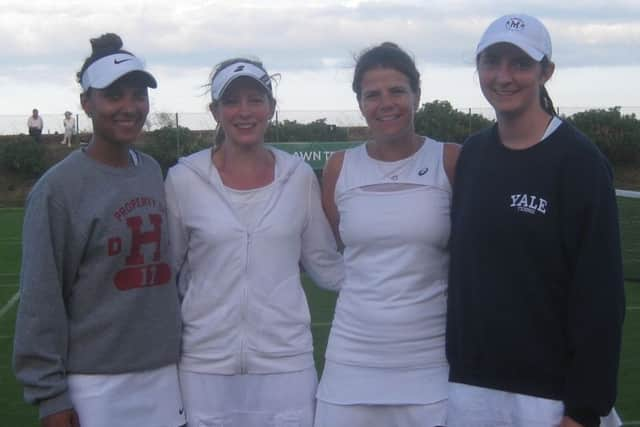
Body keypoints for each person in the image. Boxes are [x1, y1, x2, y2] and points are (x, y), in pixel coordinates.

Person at [446, 14, 625, 427]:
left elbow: (601, 297)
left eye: (520, 64)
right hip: (469, 390)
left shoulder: (580, 162)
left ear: (547, 72)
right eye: (492, 62)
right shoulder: (471, 156)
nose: (503, 76)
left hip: (548, 399)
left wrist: (582, 410)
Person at [13, 33, 184, 427]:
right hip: (94, 385)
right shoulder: (58, 189)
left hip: (163, 377)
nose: (129, 107)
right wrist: (50, 396)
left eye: (138, 95)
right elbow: (41, 298)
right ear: (87, 103)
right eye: (114, 95)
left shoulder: (152, 171)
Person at [164, 57, 344, 427]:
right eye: (231, 101)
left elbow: (326, 266)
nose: (244, 111)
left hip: (286, 366)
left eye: (255, 99)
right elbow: (168, 270)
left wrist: (403, 271)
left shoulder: (298, 179)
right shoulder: (183, 179)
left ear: (271, 108)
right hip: (205, 367)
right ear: (215, 111)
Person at [314, 42, 460, 427]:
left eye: (397, 91)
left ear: (417, 95)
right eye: (372, 95)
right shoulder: (339, 168)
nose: (386, 103)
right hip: (351, 357)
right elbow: (337, 248)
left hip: (431, 360)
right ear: (360, 103)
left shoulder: (450, 160)